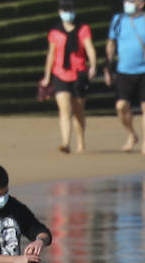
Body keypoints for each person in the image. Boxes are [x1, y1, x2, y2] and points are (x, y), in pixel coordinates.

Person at [106, 0, 145, 153]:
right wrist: (108, 65)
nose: (127, 4)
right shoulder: (118, 20)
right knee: (121, 106)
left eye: (131, 1)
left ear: (141, 3)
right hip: (124, 70)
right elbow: (111, 42)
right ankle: (131, 134)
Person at [40, 0, 97, 154]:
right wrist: (47, 76)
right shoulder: (55, 32)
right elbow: (51, 55)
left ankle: (81, 142)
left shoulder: (83, 29)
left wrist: (93, 65)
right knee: (65, 109)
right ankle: (65, 142)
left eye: (69, 10)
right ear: (60, 12)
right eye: (64, 10)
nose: (67, 13)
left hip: (79, 73)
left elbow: (89, 48)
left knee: (78, 110)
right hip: (60, 74)